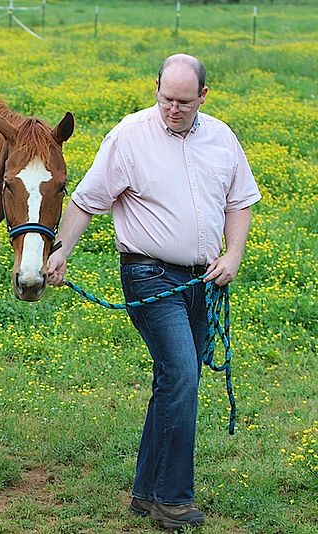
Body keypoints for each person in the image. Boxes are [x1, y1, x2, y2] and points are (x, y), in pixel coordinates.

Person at [45, 54, 261, 529]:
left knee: (176, 380)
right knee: (182, 374)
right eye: (166, 99)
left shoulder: (222, 138)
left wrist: (233, 256)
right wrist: (60, 251)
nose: (173, 110)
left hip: (204, 279)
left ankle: (144, 492)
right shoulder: (129, 135)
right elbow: (86, 200)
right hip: (148, 273)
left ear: (203, 97)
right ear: (156, 89)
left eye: (184, 102)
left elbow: (239, 201)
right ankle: (173, 498)